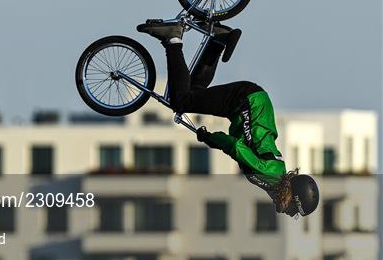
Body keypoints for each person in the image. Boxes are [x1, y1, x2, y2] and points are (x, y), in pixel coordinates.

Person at [137, 19, 319, 217]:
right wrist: (209, 139)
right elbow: (235, 147)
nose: (286, 210)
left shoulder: (273, 179)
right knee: (181, 101)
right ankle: (172, 38)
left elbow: (239, 148)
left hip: (249, 103)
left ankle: (219, 38)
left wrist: (210, 139)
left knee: (193, 92)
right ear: (293, 193)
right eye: (291, 206)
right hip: (245, 102)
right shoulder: (271, 176)